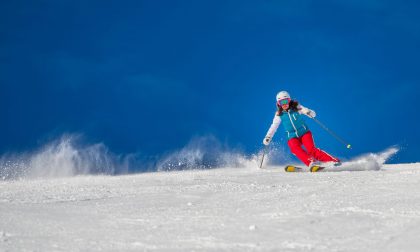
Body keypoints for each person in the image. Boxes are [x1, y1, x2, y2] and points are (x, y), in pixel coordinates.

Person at [263, 91, 340, 167]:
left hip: (304, 133)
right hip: (292, 136)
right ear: (278, 104)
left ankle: (333, 161)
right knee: (294, 148)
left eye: (286, 101)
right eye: (281, 102)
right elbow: (274, 126)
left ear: (289, 101)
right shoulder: (279, 114)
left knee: (311, 150)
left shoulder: (297, 107)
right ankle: (311, 162)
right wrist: (268, 136)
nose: (284, 104)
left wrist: (308, 112)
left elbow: (313, 114)